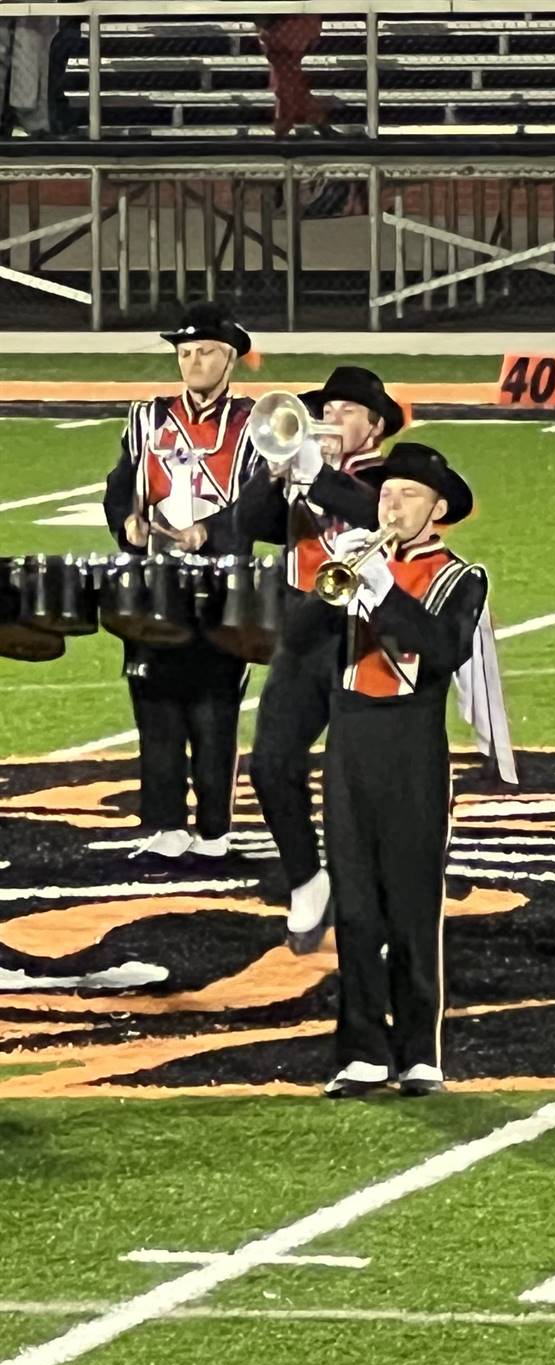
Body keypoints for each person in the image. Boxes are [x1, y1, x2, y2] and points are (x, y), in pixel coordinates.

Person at [320, 445, 488, 1099]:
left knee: (414, 901)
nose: (393, 504)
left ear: (438, 509)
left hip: (413, 739)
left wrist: (385, 593)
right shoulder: (353, 563)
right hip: (350, 734)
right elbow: (303, 641)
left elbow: (445, 648)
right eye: (387, 493)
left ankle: (420, 1051)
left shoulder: (459, 577)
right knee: (355, 899)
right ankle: (362, 1049)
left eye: (409, 495)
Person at [237, 366, 402, 952]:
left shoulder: (393, 475)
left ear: (376, 424)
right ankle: (308, 878)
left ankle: (378, 907)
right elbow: (245, 525)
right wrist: (275, 476)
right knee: (270, 763)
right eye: (325, 410)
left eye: (345, 410)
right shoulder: (303, 473)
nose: (329, 419)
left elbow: (378, 512)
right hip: (305, 632)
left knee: (357, 782)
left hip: (368, 640)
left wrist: (319, 477)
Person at [101, 302, 269, 862]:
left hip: (224, 586)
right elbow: (121, 483)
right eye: (186, 353)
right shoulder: (147, 417)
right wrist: (126, 521)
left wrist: (211, 530)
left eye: (206, 352)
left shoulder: (253, 423)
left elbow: (261, 504)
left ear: (231, 359)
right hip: (154, 581)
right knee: (154, 702)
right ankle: (164, 823)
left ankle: (215, 828)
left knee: (215, 706)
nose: (194, 362)